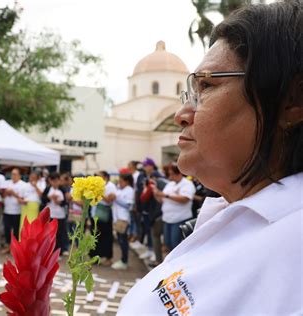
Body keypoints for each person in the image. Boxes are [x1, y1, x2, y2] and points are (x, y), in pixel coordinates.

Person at [119, 2, 302, 314]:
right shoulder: (226, 212)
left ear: (292, 101)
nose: (181, 114)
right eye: (190, 90)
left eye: (206, 85)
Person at [153, 163, 195, 251]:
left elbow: (185, 199)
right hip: (167, 218)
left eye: (171, 174)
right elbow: (162, 200)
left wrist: (166, 195)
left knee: (175, 244)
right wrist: (157, 194)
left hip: (179, 218)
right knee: (167, 242)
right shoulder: (170, 184)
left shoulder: (187, 184)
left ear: (178, 173)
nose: (170, 176)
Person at [90, 171, 116, 266]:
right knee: (95, 236)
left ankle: (108, 257)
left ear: (105, 177)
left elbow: (110, 200)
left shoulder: (110, 186)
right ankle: (95, 257)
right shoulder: (97, 185)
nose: (96, 177)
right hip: (95, 213)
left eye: (98, 176)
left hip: (104, 214)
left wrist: (99, 193)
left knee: (106, 236)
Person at [111, 173, 134, 270]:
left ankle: (124, 261)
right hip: (118, 218)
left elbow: (128, 205)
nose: (119, 183)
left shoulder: (129, 191)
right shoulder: (121, 189)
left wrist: (116, 198)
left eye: (121, 181)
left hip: (123, 218)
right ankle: (123, 260)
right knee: (120, 240)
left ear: (127, 181)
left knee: (123, 240)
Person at [1, 168, 26, 253]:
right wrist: (6, 193)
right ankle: (8, 246)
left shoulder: (23, 185)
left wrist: (14, 194)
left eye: (15, 174)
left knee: (16, 230)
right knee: (7, 229)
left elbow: (23, 199)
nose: (13, 176)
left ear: (19, 175)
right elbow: (3, 196)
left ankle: (15, 248)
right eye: (12, 174)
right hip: (7, 210)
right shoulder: (7, 183)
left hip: (17, 211)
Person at [46, 172, 68, 255]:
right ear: (50, 181)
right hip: (51, 214)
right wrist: (49, 198)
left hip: (60, 214)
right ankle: (51, 250)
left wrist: (59, 202)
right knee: (51, 233)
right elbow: (43, 199)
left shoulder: (62, 189)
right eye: (53, 181)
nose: (55, 183)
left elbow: (66, 202)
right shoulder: (48, 189)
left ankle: (61, 250)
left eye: (57, 180)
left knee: (60, 233)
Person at [19, 171, 44, 235]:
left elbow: (42, 195)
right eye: (31, 177)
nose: (32, 179)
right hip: (25, 206)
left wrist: (35, 186)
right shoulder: (24, 185)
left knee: (33, 223)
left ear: (37, 178)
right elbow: (20, 197)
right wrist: (21, 201)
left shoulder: (40, 185)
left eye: (34, 177)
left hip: (35, 206)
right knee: (24, 223)